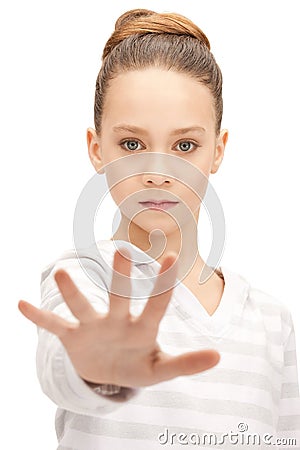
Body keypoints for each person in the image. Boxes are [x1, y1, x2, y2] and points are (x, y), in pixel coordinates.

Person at [18, 8, 299, 450]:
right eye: (132, 144)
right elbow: (62, 369)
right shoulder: (85, 278)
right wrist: (97, 368)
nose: (157, 170)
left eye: (185, 145)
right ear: (97, 149)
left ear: (218, 151)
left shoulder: (271, 321)